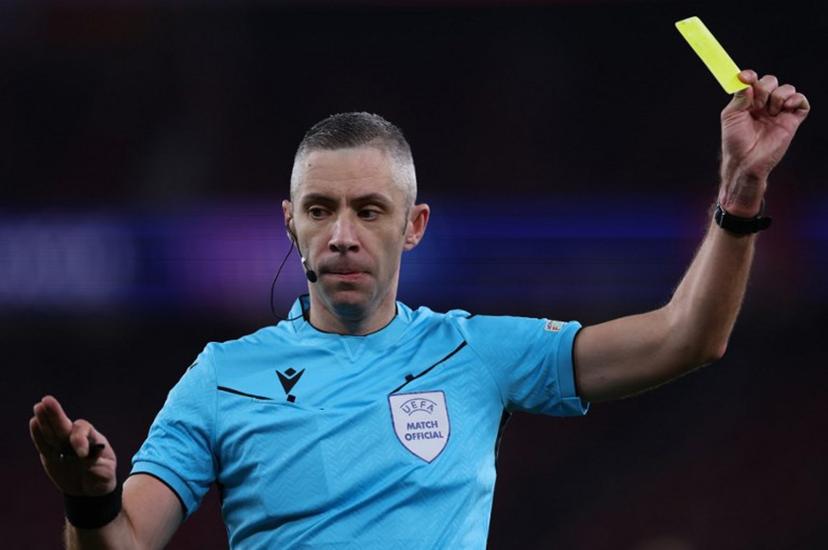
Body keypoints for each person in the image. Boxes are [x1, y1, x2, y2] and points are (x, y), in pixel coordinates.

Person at [30, 69, 810, 549]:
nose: (342, 234)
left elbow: (686, 338)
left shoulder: (477, 353)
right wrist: (88, 501)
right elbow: (123, 543)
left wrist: (741, 193)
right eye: (320, 209)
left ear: (414, 225)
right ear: (290, 223)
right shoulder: (222, 378)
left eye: (369, 210)